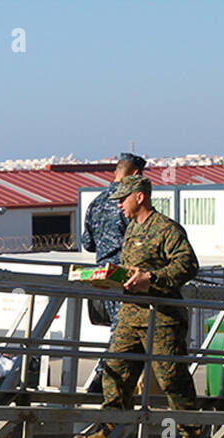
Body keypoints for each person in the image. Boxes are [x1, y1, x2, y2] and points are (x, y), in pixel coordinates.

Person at [72, 175, 201, 438]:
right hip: (131, 316)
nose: (119, 204)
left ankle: (191, 433)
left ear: (140, 197)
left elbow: (188, 265)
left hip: (161, 318)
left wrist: (152, 279)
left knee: (170, 378)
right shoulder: (132, 229)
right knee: (114, 371)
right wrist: (110, 278)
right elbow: (132, 271)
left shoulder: (166, 229)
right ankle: (109, 430)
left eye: (123, 199)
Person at [80, 152, 146, 391]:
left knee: (119, 331)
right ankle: (102, 382)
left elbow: (87, 243)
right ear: (136, 174)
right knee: (124, 332)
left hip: (103, 275)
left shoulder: (97, 201)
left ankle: (110, 384)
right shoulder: (129, 202)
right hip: (125, 275)